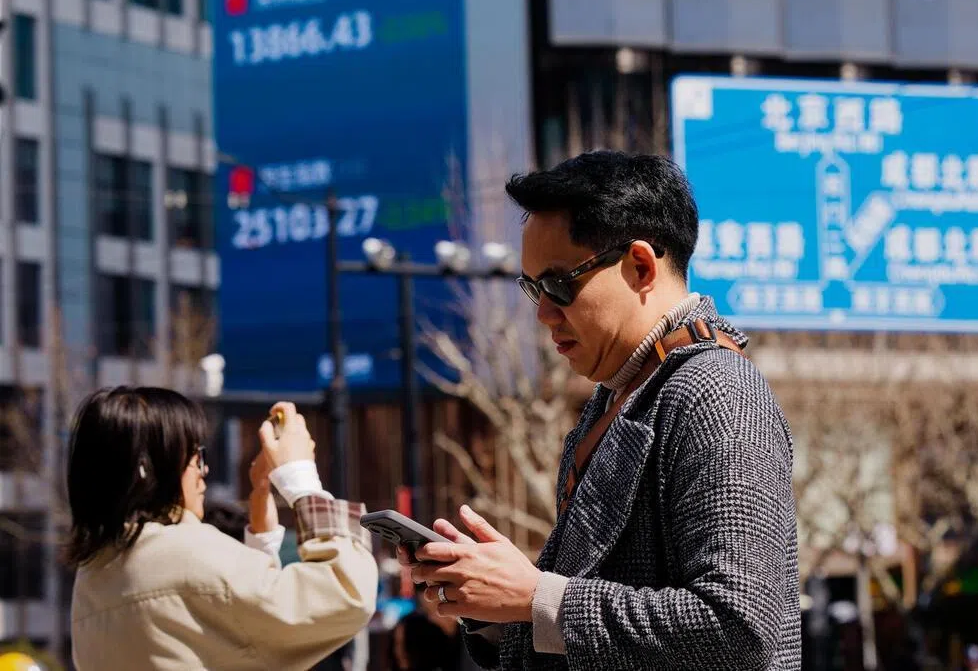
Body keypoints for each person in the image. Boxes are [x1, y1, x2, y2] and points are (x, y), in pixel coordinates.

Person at [405, 151, 801, 671]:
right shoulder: (621, 395)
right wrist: (493, 604)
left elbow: (742, 627)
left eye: (558, 284)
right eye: (532, 289)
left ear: (640, 266)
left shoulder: (717, 390)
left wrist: (536, 596)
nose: (543, 313)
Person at [68, 388, 378, 670]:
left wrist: (262, 541)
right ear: (150, 468)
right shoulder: (181, 553)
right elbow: (345, 595)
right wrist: (302, 480)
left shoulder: (94, 574)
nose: (204, 469)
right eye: (195, 455)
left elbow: (229, 640)